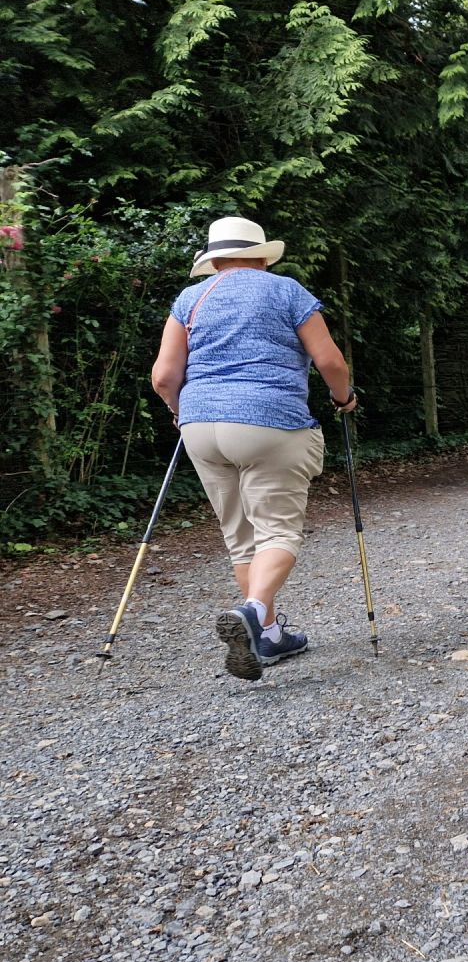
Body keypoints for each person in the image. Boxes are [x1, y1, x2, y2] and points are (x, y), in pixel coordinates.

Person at [150, 216, 357, 681]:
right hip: (270, 421)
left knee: (240, 537)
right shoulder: (285, 291)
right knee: (279, 534)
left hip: (200, 425)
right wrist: (343, 399)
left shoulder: (191, 298)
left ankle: (265, 636)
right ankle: (254, 610)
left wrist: (179, 411)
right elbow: (329, 361)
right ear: (262, 256)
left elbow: (164, 376)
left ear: (214, 260)